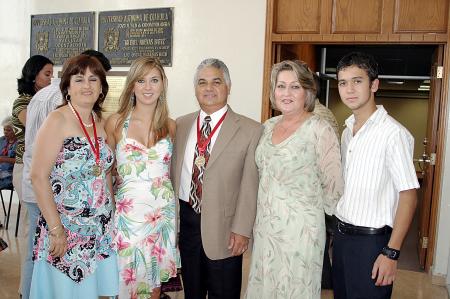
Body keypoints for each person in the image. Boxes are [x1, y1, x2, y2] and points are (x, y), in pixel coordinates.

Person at [245, 60, 343, 299]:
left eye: (295, 87)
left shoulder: (319, 128)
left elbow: (334, 186)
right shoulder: (266, 127)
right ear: (273, 91)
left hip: (301, 233)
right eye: (281, 86)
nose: (286, 93)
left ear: (307, 92)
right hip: (266, 229)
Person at [20, 50, 111, 299]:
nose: (87, 85)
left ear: (102, 88)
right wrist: (56, 228)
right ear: (67, 87)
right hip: (66, 228)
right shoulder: (57, 120)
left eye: (94, 79)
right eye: (79, 79)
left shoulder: (98, 121)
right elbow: (38, 177)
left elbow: (103, 174)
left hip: (96, 228)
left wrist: (110, 218)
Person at [171, 58, 262, 299]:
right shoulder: (180, 125)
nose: (208, 88)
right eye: (202, 82)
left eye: (216, 82)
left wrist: (242, 230)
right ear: (195, 89)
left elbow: (250, 185)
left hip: (226, 230)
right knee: (192, 292)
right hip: (187, 224)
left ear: (228, 87)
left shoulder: (251, 130)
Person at [332, 52, 419, 299]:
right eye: (343, 82)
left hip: (371, 244)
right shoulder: (347, 131)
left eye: (357, 81)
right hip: (342, 238)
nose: (349, 89)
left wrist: (392, 252)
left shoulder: (393, 134)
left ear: (374, 84)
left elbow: (409, 195)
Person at [105, 56, 180, 299]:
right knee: (127, 281)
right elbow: (107, 172)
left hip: (162, 215)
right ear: (132, 86)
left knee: (154, 281)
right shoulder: (116, 123)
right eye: (141, 80)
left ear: (163, 85)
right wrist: (111, 209)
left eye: (154, 80)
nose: (148, 87)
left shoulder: (170, 125)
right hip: (130, 215)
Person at [11, 54, 53, 296]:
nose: (50, 79)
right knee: (31, 233)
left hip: (38, 170)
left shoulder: (43, 99)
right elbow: (35, 125)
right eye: (46, 74)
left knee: (36, 234)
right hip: (25, 170)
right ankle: (24, 289)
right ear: (33, 75)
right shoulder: (24, 101)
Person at [0, 117, 17, 189]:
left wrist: (3, 159)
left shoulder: (20, 143)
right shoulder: (1, 140)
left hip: (12, 174)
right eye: (4, 129)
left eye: (8, 130)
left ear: (15, 130)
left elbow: (20, 161)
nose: (5, 132)